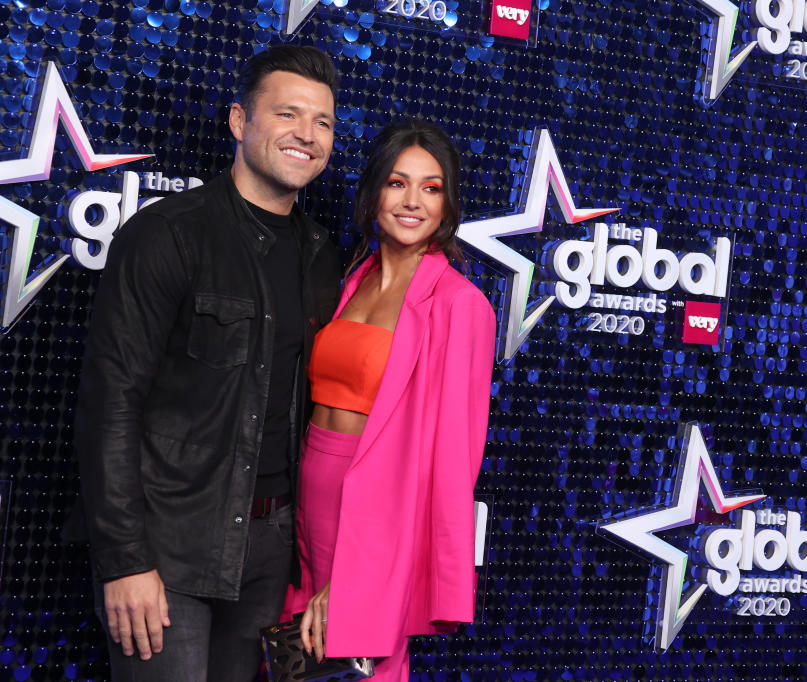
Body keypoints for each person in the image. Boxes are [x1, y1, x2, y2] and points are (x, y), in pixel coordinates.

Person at [74, 45, 341, 681]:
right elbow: (110, 402)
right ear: (237, 122)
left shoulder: (322, 256)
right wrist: (124, 559)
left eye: (323, 122)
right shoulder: (167, 234)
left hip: (274, 554)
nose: (307, 134)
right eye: (287, 114)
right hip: (166, 548)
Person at [281, 118, 496, 680]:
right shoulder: (352, 278)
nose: (412, 201)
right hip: (302, 515)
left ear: (447, 206)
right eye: (398, 183)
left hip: (374, 527)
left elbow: (446, 470)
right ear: (375, 189)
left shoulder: (459, 306)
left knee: (361, 666)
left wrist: (357, 579)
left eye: (431, 188)